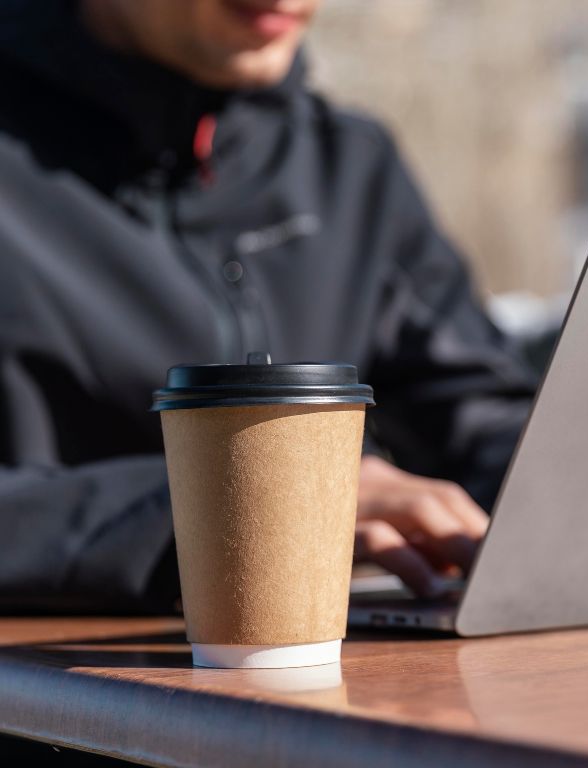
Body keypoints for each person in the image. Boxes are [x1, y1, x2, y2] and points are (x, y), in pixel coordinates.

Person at [0, 0, 537, 611]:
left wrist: (580, 492)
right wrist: (250, 504)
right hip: (59, 664)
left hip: (335, 650)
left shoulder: (347, 165)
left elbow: (478, 413)